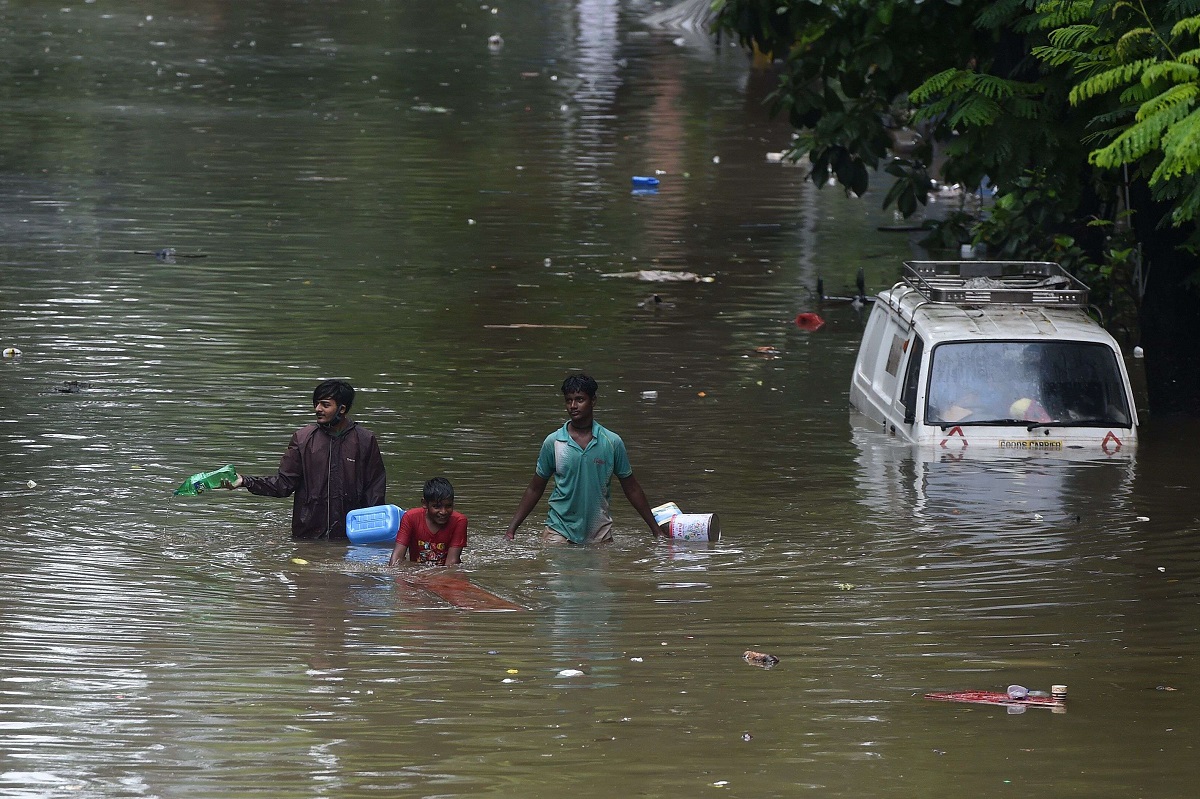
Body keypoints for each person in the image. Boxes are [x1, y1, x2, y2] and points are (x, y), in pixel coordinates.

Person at [504, 373, 663, 545]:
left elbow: (632, 488)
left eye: (580, 399)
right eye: (568, 400)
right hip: (559, 530)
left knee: (603, 571)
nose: (573, 406)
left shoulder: (611, 442)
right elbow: (535, 488)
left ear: (593, 401)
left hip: (599, 531)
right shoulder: (554, 442)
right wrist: (511, 530)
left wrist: (657, 532)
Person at [227, 379, 386, 539]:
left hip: (352, 535)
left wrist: (374, 534)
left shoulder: (365, 440)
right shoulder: (302, 439)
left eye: (325, 404)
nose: (318, 409)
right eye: (316, 404)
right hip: (308, 536)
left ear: (342, 409)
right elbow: (284, 484)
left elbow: (375, 492)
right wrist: (245, 481)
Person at [388, 477, 468, 566]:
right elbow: (396, 559)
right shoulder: (410, 518)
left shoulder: (459, 521)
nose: (443, 512)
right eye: (436, 507)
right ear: (425, 504)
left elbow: (451, 564)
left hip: (442, 572)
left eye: (448, 506)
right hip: (417, 571)